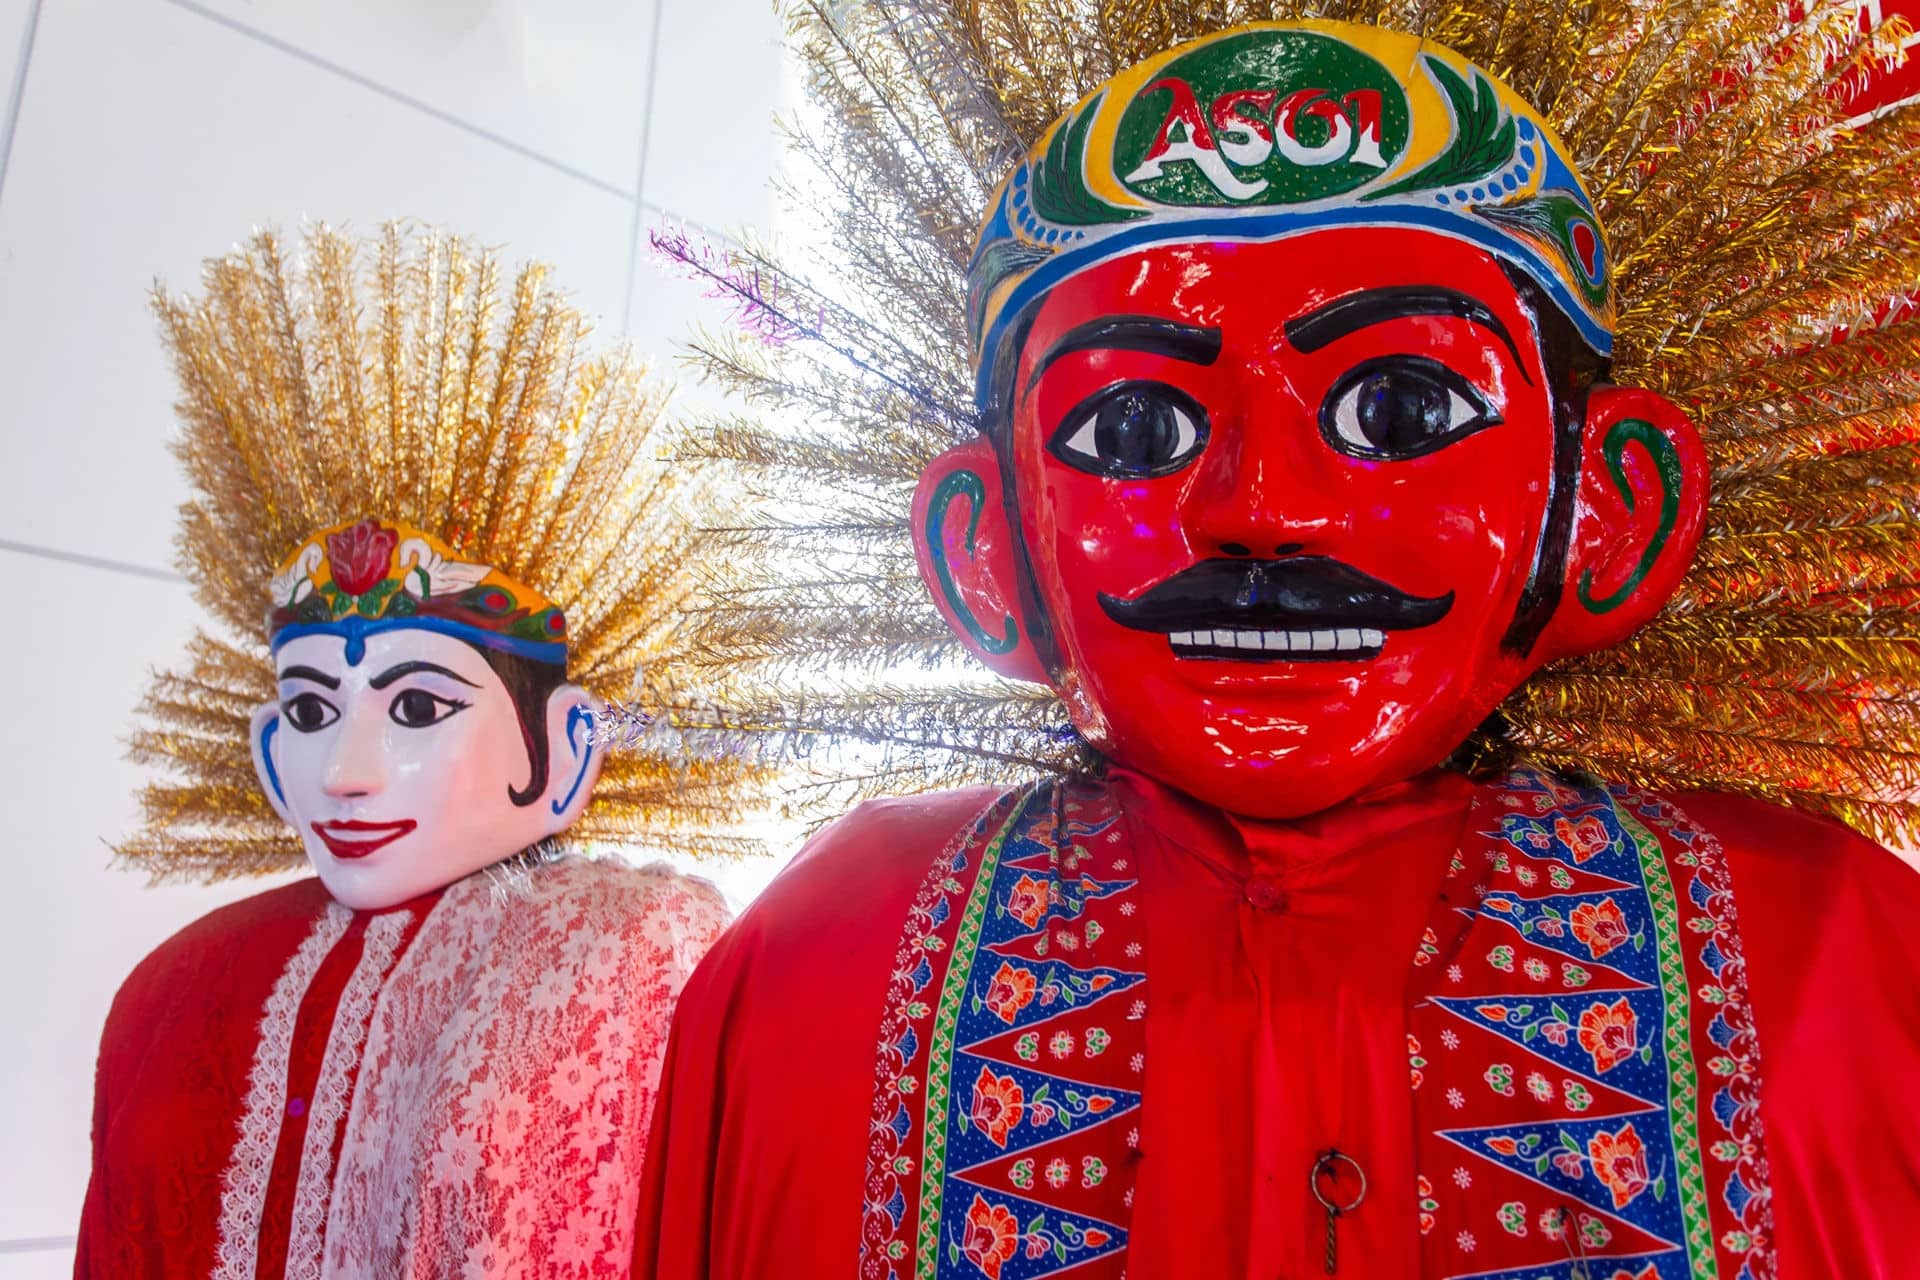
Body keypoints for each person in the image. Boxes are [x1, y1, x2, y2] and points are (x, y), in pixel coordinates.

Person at [633, 13, 1920, 1279]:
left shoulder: (1833, 963)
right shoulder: (817, 960)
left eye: (1401, 409)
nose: (1262, 506)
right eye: (1133, 430)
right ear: (988, 547)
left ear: (1609, 509)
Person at [79, 226, 745, 1278]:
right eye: (310, 711)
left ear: (564, 749)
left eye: (420, 705)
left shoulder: (630, 953)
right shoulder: (172, 992)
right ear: (267, 752)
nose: (347, 771)